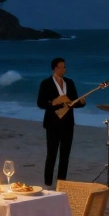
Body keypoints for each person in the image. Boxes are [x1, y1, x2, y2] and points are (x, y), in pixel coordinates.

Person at [36, 57, 85, 187]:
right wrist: (52, 102)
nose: (64, 69)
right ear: (55, 68)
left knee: (65, 154)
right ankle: (47, 182)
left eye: (65, 67)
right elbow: (40, 102)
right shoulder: (46, 83)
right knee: (52, 153)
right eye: (62, 67)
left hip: (68, 123)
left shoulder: (69, 82)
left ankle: (61, 182)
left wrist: (81, 102)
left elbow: (74, 101)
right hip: (52, 123)